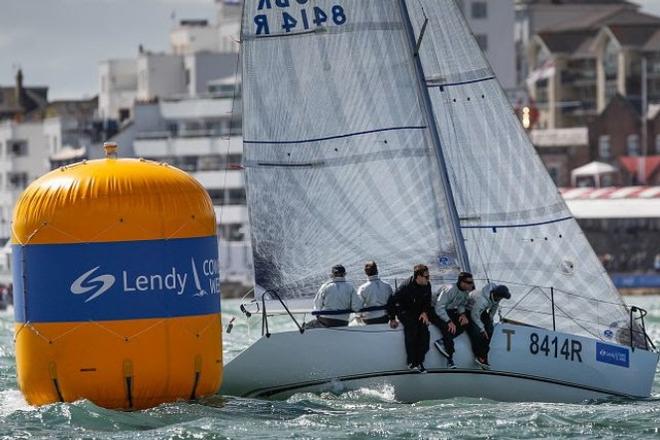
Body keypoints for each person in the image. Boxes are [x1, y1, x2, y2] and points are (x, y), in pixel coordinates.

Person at [386, 264, 432, 373]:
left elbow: (428, 301)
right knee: (412, 330)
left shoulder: (427, 285)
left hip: (418, 312)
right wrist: (392, 318)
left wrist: (425, 312)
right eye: (426, 277)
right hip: (404, 311)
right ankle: (411, 362)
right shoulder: (405, 287)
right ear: (418, 277)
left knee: (425, 336)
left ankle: (419, 361)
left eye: (428, 276)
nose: (428, 278)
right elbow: (391, 301)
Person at [430, 272, 474, 369]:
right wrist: (449, 321)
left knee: (466, 323)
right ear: (461, 282)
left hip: (447, 310)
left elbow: (461, 304)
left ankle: (442, 341)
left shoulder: (465, 292)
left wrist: (462, 314)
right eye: (468, 282)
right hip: (434, 310)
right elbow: (439, 308)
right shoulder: (449, 290)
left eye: (471, 282)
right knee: (448, 328)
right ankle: (450, 359)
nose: (471, 284)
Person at [466, 283, 511, 369]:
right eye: (501, 297)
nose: (501, 299)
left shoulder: (496, 297)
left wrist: (489, 321)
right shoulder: (482, 300)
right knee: (477, 331)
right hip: (469, 309)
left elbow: (493, 308)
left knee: (490, 329)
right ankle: (479, 356)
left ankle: (484, 355)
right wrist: (482, 328)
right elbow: (474, 315)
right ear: (496, 295)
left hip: (480, 310)